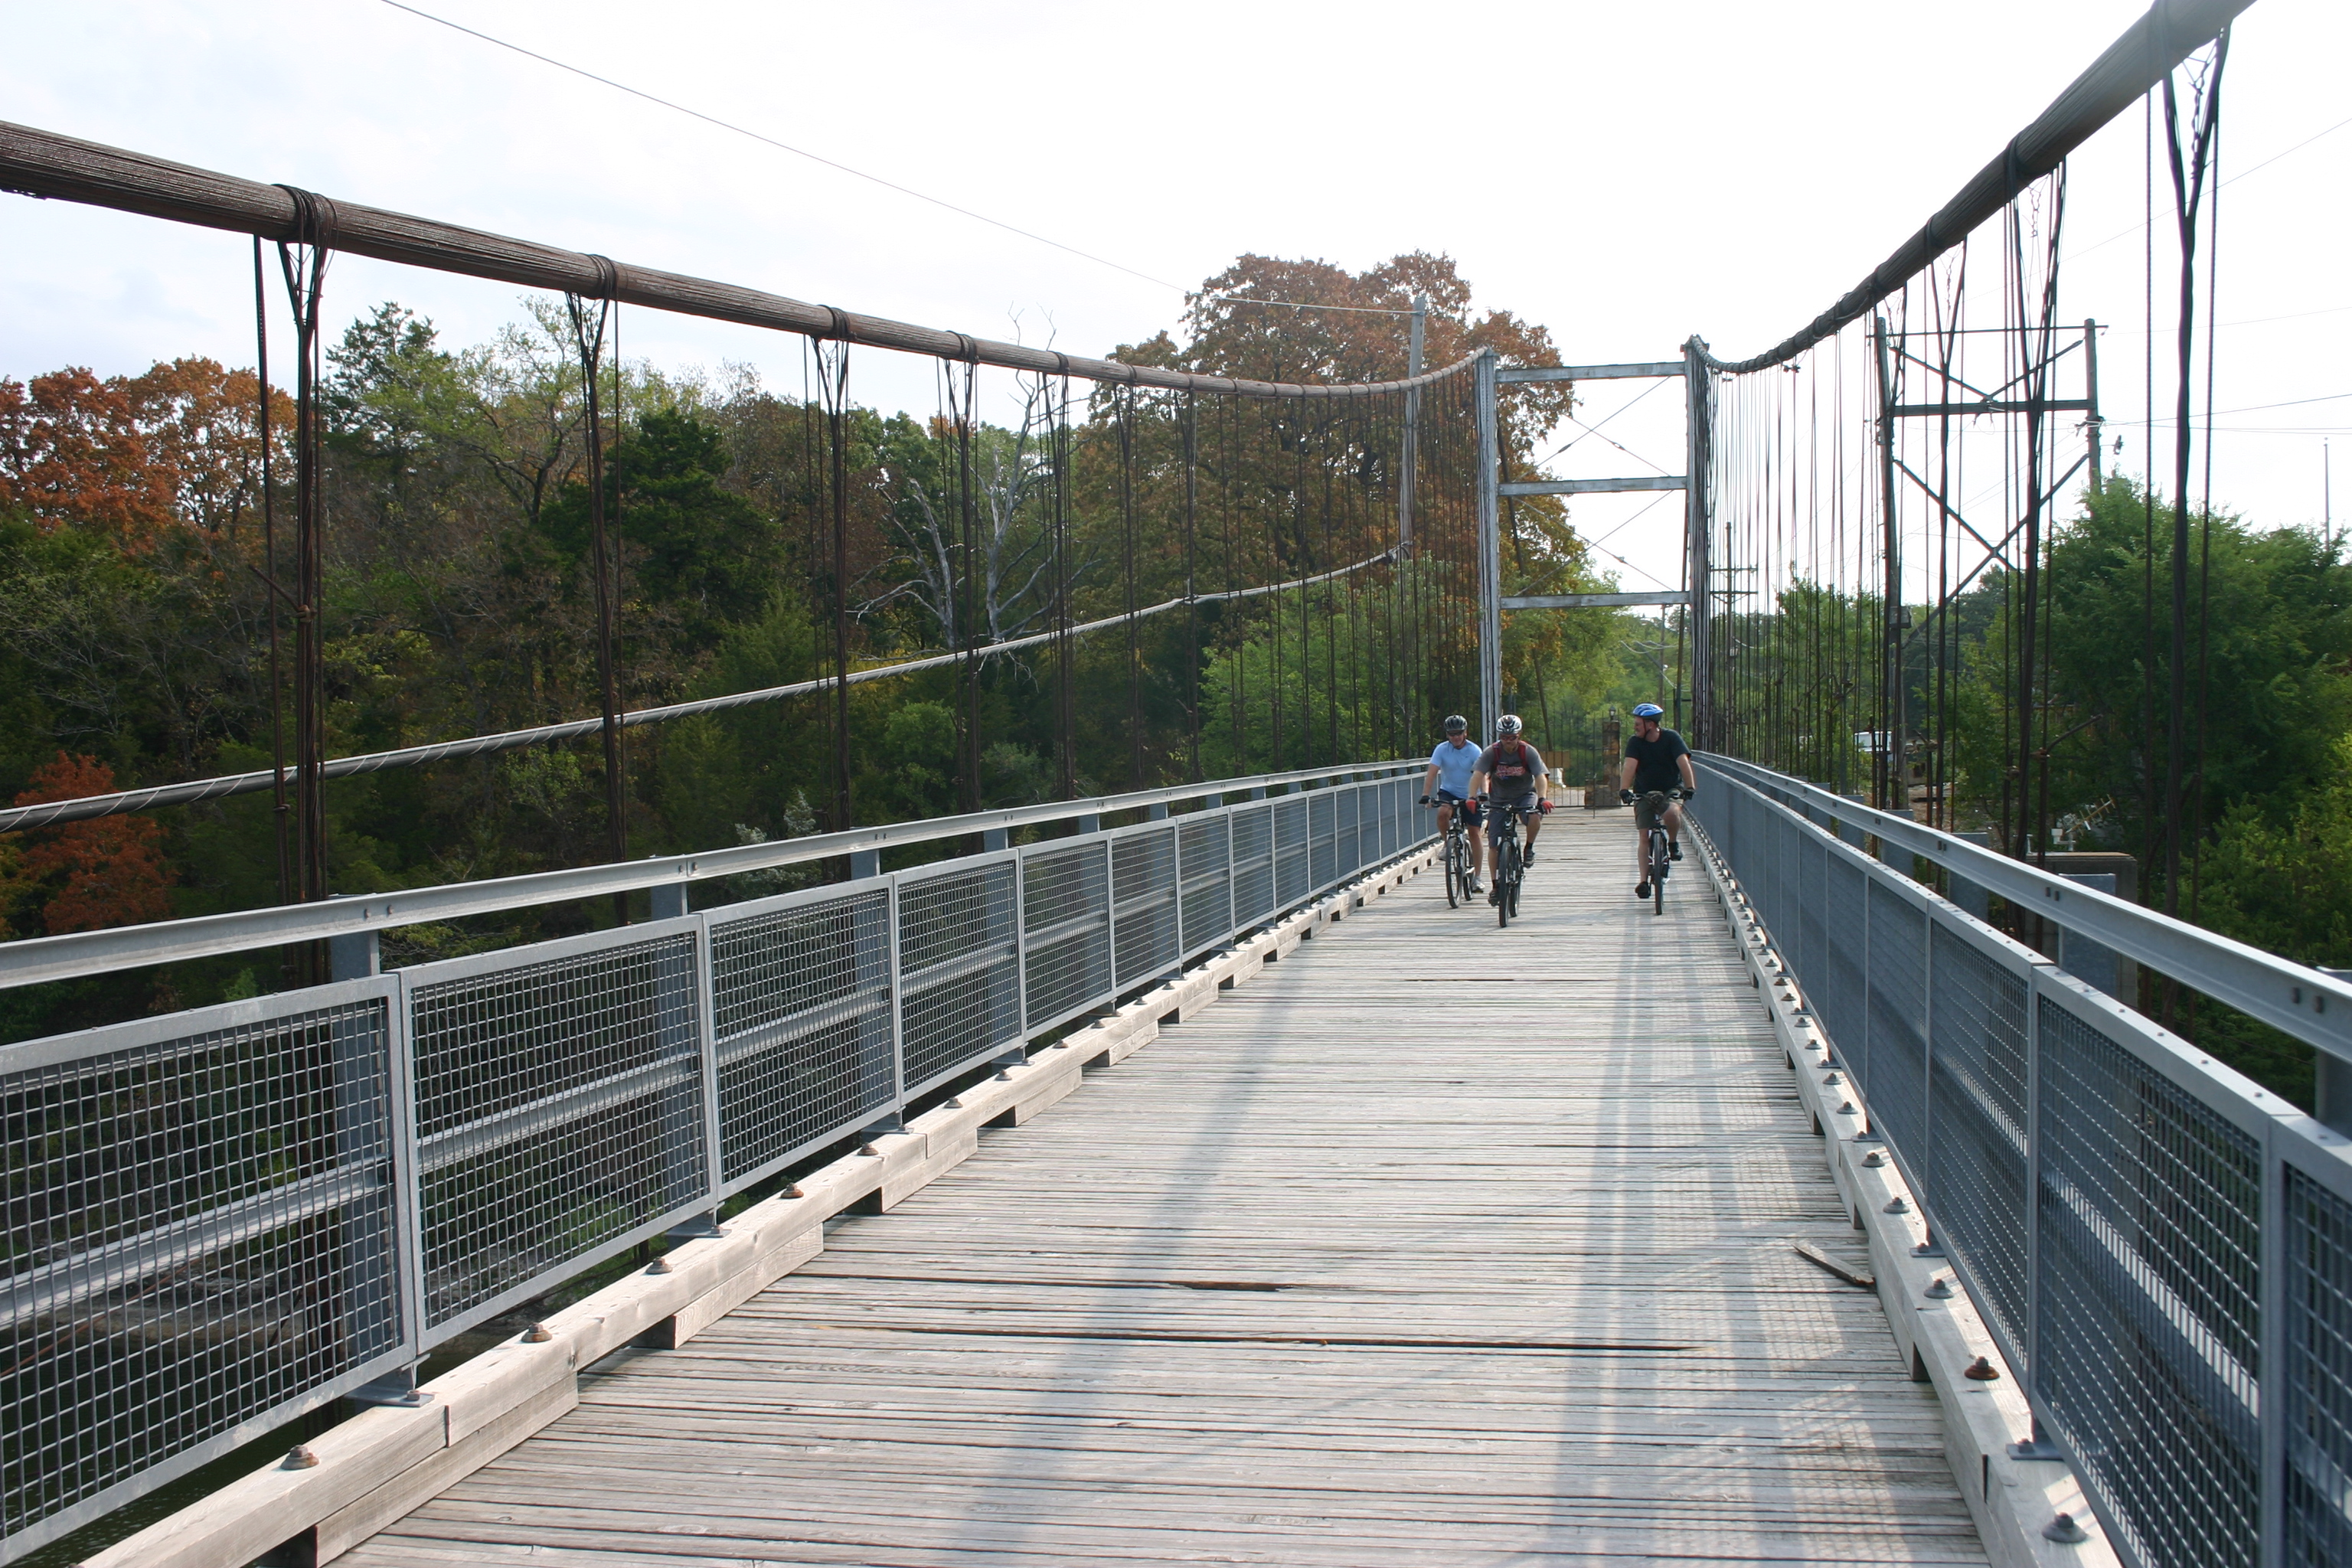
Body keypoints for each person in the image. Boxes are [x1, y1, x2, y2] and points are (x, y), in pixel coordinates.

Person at [1618, 701, 1696, 899]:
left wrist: (1689, 787)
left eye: (1638, 723)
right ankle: (1644, 882)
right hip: (1644, 791)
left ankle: (1672, 843)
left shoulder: (1671, 738)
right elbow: (1629, 766)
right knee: (1644, 835)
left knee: (1671, 812)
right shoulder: (1635, 742)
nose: (1635, 727)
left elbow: (1683, 763)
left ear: (1650, 725)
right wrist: (1624, 790)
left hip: (1671, 788)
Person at [1470, 714, 1547, 898]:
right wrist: (1471, 797)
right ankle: (1496, 885)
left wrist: (1543, 798)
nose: (1508, 742)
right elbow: (1478, 775)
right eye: (1504, 738)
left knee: (1534, 815)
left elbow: (1540, 777)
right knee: (1494, 845)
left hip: (1524, 795)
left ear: (1519, 735)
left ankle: (1528, 848)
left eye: (1512, 738)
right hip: (1499, 799)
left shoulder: (1527, 752)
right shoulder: (1492, 752)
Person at [1419, 714, 1485, 893]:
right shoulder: (1442, 749)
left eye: (1459, 733)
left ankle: (1477, 878)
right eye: (1451, 734)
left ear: (1465, 733)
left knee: (1474, 833)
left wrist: (1483, 794)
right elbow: (1432, 773)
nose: (1455, 737)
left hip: (1471, 794)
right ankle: (1448, 844)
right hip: (1449, 791)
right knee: (1442, 813)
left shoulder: (1474, 750)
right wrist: (1426, 795)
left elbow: (1482, 773)